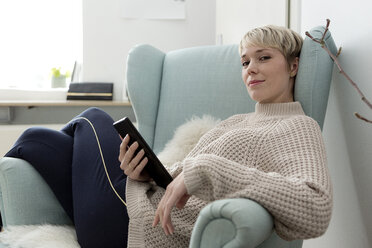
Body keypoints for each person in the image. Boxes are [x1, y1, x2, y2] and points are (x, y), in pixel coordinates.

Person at [5, 25, 333, 248]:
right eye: (245, 61)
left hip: (135, 225)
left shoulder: (297, 127)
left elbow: (316, 208)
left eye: (264, 57)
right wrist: (142, 173)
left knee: (91, 118)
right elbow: (178, 175)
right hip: (136, 198)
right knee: (35, 140)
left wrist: (205, 170)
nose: (251, 68)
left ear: (293, 66)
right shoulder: (237, 121)